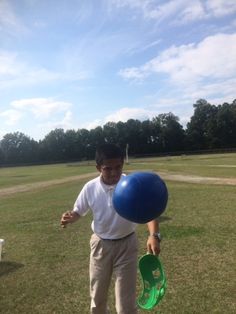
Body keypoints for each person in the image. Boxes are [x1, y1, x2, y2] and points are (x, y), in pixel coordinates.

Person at [60, 143, 161, 314]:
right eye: (108, 168)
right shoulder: (90, 187)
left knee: (125, 305)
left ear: (123, 164)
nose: (114, 173)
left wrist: (154, 235)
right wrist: (71, 217)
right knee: (97, 299)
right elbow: (79, 211)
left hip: (127, 245)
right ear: (98, 167)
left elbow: (149, 211)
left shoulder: (131, 185)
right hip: (101, 245)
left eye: (118, 167)